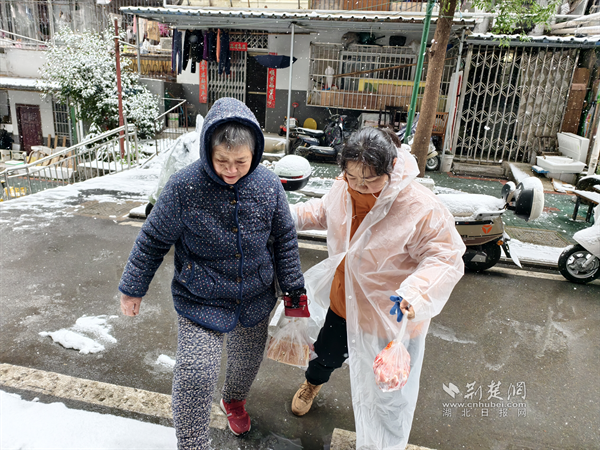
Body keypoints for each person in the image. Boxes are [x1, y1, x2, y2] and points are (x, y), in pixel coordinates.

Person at [118, 97, 305, 450]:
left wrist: (294, 292)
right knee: (196, 373)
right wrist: (132, 288)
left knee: (246, 362)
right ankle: (192, 443)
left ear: (255, 153)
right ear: (208, 151)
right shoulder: (184, 186)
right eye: (222, 161)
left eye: (240, 162)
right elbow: (153, 240)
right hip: (200, 296)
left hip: (254, 295)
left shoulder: (268, 186)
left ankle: (233, 400)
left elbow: (284, 239)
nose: (231, 170)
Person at [289, 127, 465, 449]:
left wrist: (417, 292)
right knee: (326, 355)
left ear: (391, 168)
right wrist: (285, 216)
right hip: (345, 303)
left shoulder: (418, 206)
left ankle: (382, 441)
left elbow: (445, 255)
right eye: (352, 177)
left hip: (391, 314)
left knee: (386, 386)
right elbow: (322, 212)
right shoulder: (343, 187)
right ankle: (312, 384)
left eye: (369, 180)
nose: (359, 186)